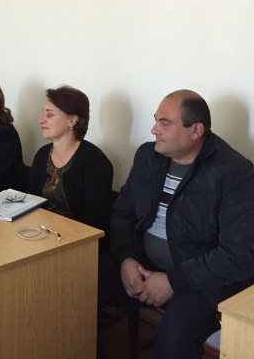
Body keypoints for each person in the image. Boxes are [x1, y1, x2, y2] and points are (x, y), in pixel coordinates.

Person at [99, 90, 254, 359]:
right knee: (77, 278)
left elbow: (240, 253)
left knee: (174, 335)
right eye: (155, 120)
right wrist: (126, 259)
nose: (153, 129)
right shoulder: (148, 156)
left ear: (196, 130)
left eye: (165, 123)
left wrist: (173, 281)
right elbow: (123, 212)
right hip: (143, 262)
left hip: (201, 280)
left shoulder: (234, 173)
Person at [29, 86, 113, 254]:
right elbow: (31, 201)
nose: (41, 120)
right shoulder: (42, 155)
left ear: (72, 120)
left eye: (49, 115)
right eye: (43, 113)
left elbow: (96, 219)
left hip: (77, 246)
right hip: (40, 237)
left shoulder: (95, 161)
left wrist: (56, 236)